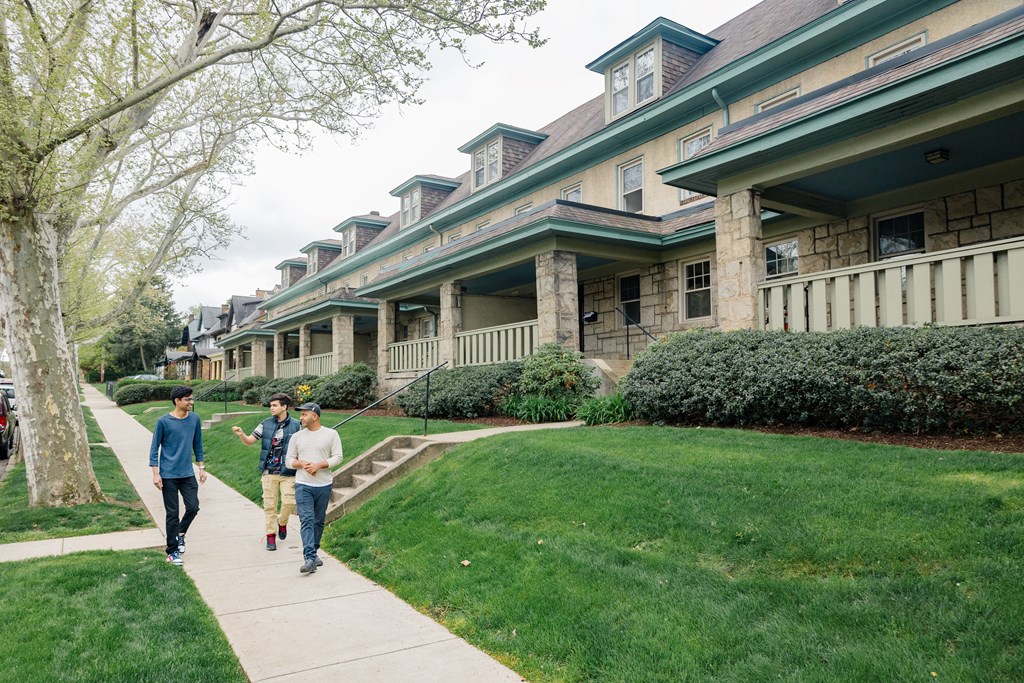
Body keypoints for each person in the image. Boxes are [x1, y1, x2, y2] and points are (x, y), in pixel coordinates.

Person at [231, 393, 301, 551]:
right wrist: (242, 434)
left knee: (289, 502)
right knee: (270, 506)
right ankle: (271, 536)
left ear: (284, 407)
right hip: (269, 471)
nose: (271, 408)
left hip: (288, 471)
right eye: (271, 405)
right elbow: (250, 441)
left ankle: (282, 523)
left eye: (275, 405)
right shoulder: (265, 424)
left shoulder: (297, 425)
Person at [150, 385, 206, 566]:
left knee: (193, 507)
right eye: (188, 399)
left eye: (191, 399)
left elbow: (197, 444)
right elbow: (154, 449)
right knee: (172, 514)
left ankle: (180, 533)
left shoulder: (194, 419)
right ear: (177, 401)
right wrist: (156, 474)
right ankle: (172, 551)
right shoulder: (163, 422)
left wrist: (201, 468)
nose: (191, 402)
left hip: (187, 474)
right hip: (168, 475)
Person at [285, 402, 343, 574]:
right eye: (301, 415)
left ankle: (314, 552)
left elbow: (338, 457)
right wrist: (300, 463)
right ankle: (309, 558)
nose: (300, 418)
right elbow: (288, 461)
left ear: (314, 416)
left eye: (304, 414)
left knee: (318, 521)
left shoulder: (331, 434)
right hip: (303, 485)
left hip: (324, 485)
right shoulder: (296, 437)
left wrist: (319, 465)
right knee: (307, 520)